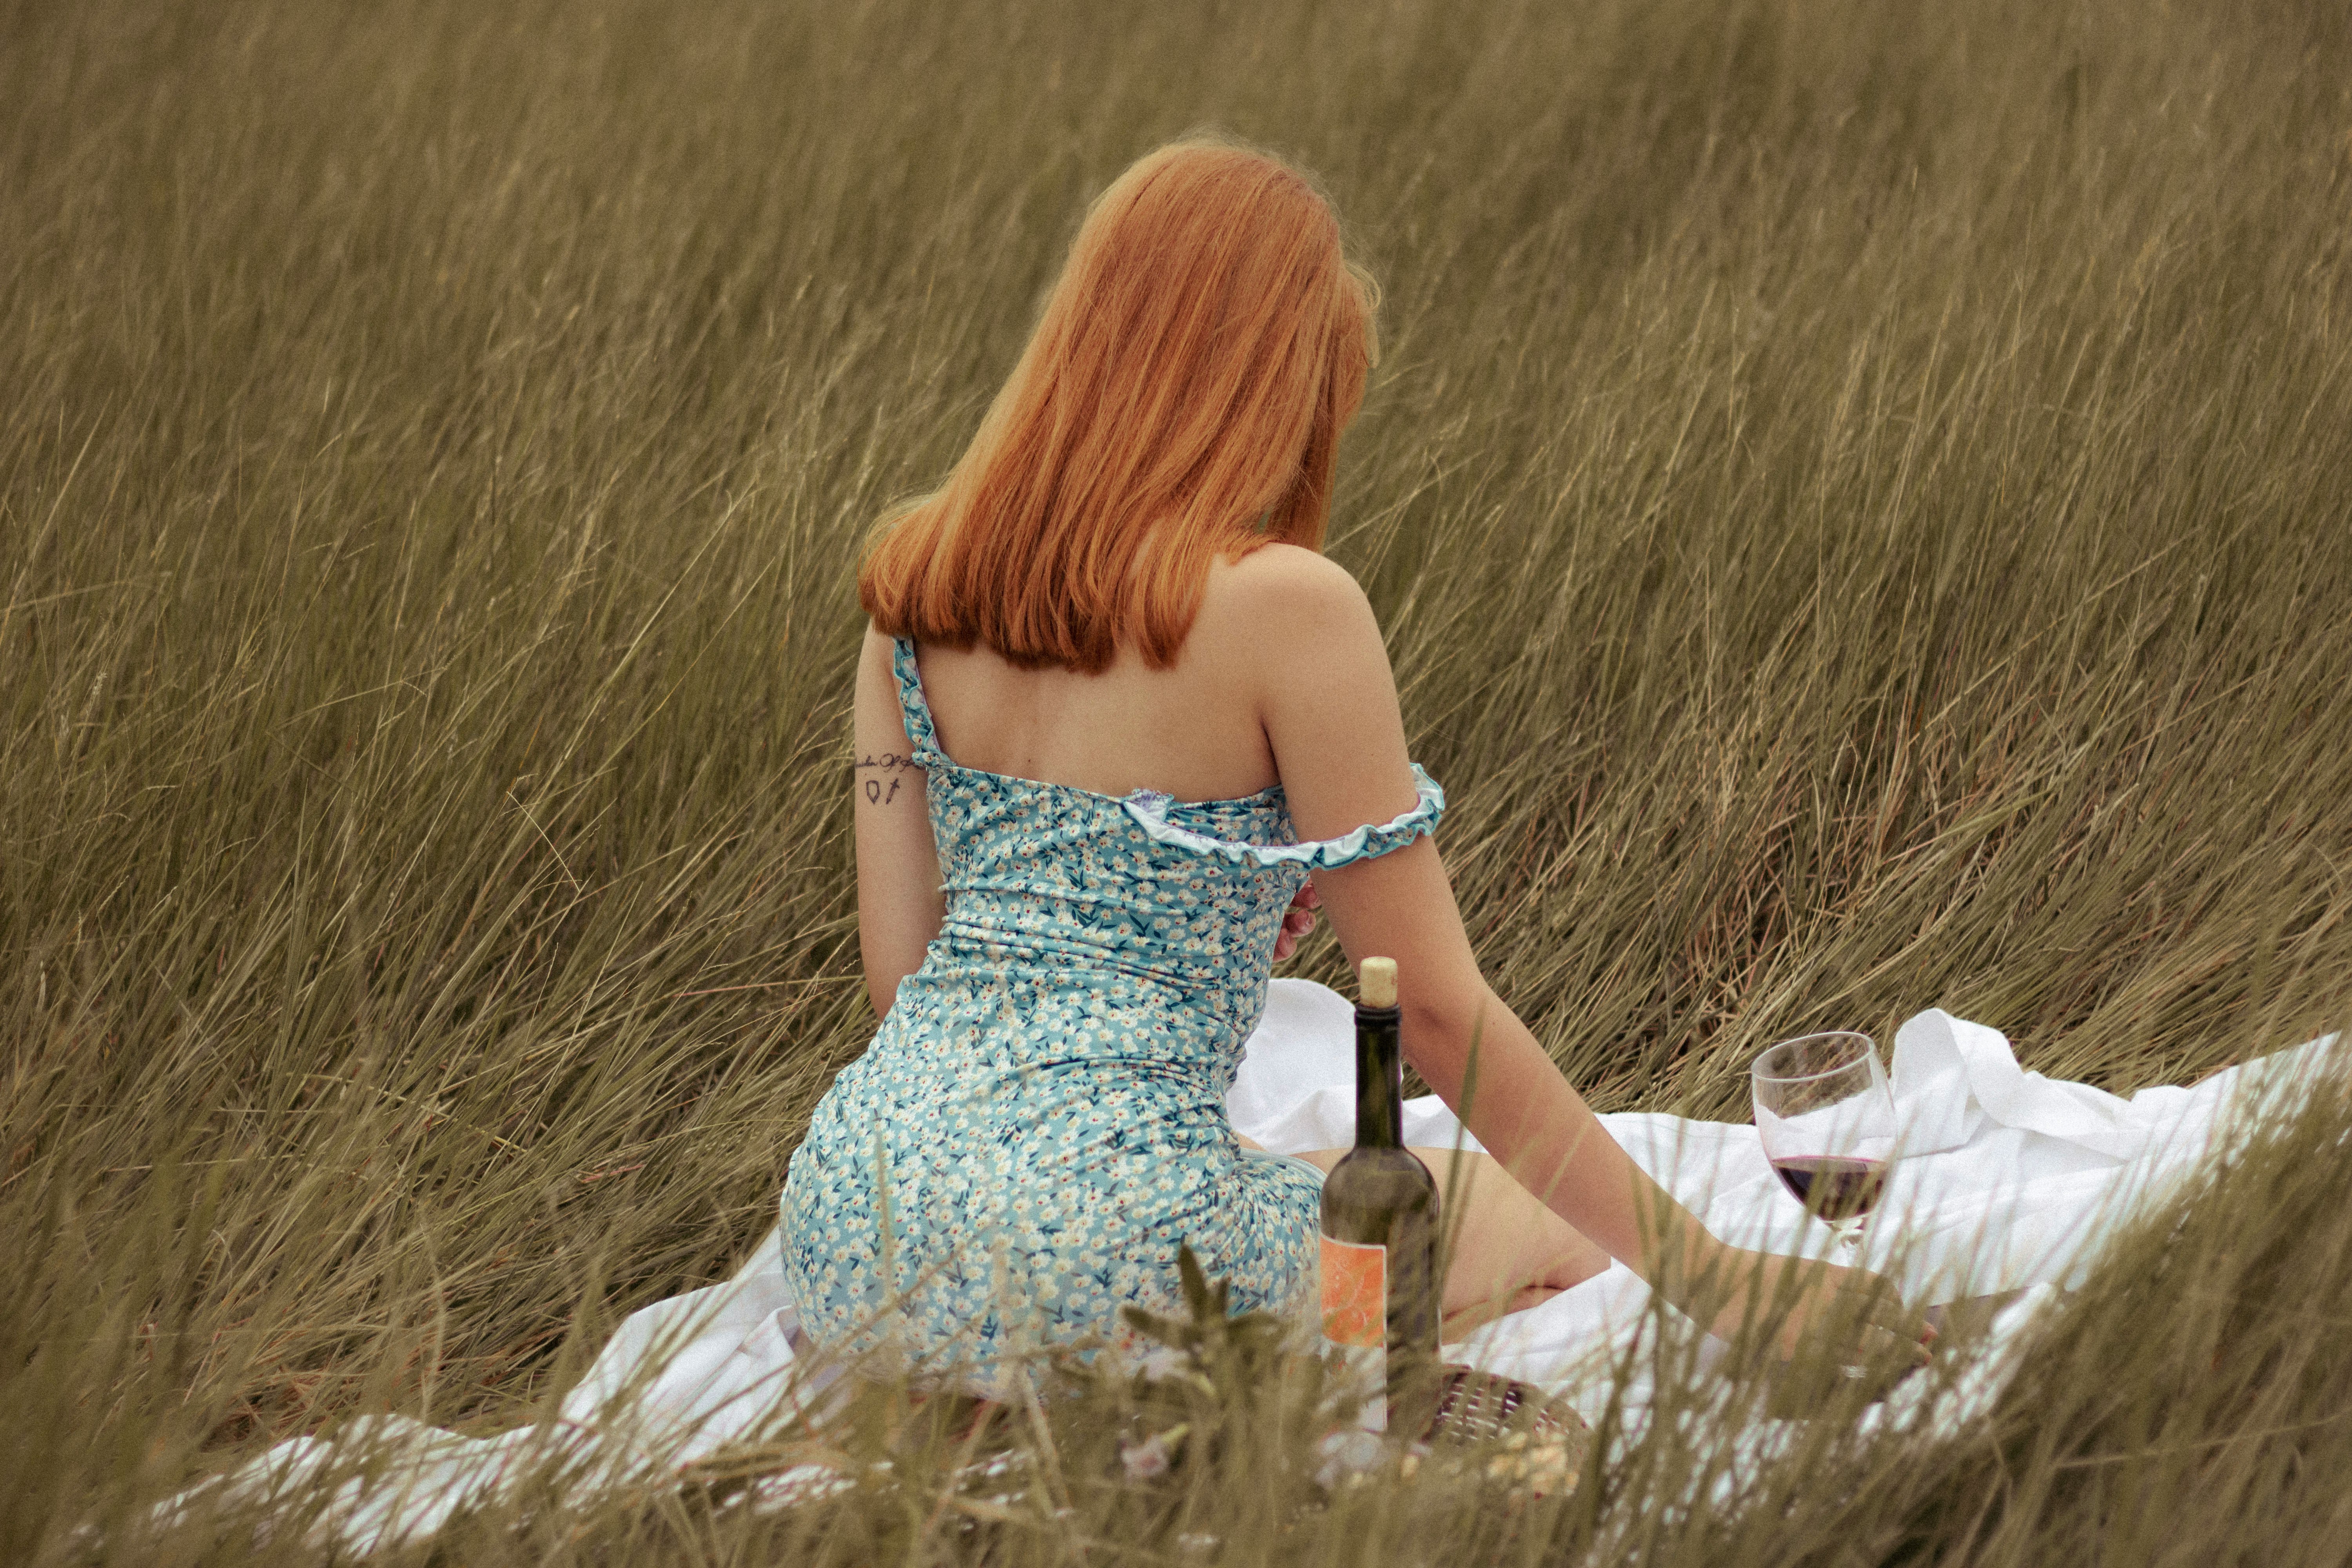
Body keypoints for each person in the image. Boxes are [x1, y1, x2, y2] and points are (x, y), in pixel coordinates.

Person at [777, 136, 1929, 1384]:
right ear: (1282, 375)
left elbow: (908, 978)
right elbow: (1433, 1010)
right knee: (1537, 1227)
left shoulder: (915, 590)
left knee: (1293, 1196)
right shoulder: (1287, 608)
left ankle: (1016, 1390)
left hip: (854, 1219)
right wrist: (1734, 1287)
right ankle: (1312, 1384)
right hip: (1113, 1259)